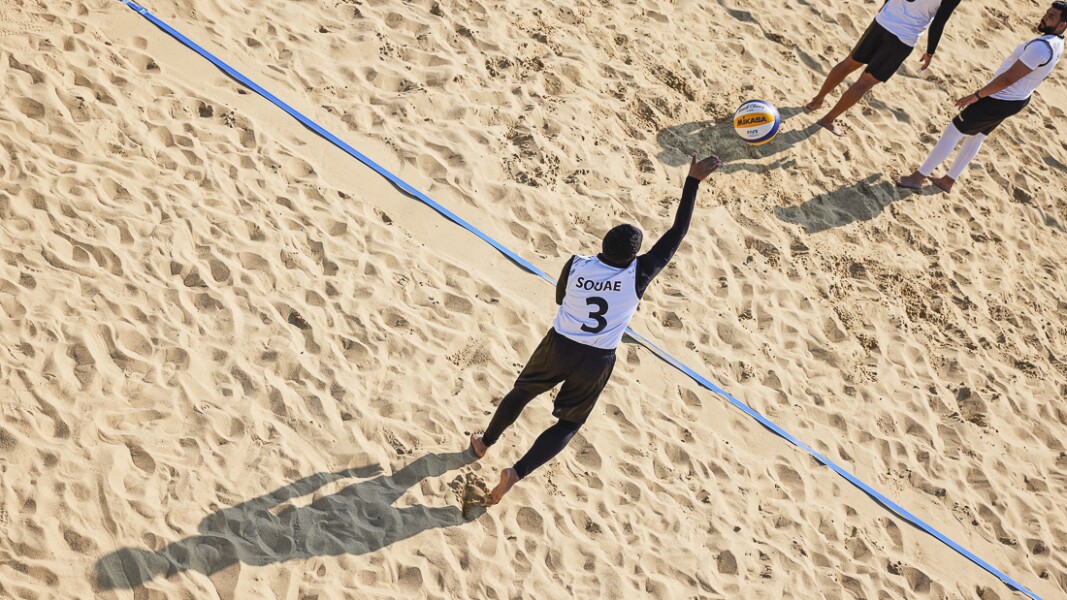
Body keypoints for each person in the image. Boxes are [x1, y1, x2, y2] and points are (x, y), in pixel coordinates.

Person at [468, 153, 722, 505]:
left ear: (602, 245)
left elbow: (560, 299)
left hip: (558, 345)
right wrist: (692, 182)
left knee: (522, 392)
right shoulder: (639, 273)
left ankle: (484, 443)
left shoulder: (577, 264)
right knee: (568, 425)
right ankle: (517, 472)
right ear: (633, 257)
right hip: (596, 359)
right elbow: (677, 233)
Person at [898, 2, 1066, 192]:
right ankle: (948, 180)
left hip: (1000, 98)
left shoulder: (1041, 48)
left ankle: (917, 178)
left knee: (953, 132)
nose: (1045, 17)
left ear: (1062, 25)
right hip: (1016, 100)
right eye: (1047, 12)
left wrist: (977, 96)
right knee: (977, 137)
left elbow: (1008, 79)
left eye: (1052, 16)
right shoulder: (1057, 42)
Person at [807, 0, 962, 137]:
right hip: (903, 37)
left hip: (882, 22)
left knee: (849, 63)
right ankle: (828, 119)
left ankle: (816, 101)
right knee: (865, 82)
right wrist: (930, 51)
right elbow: (938, 23)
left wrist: (884, 6)